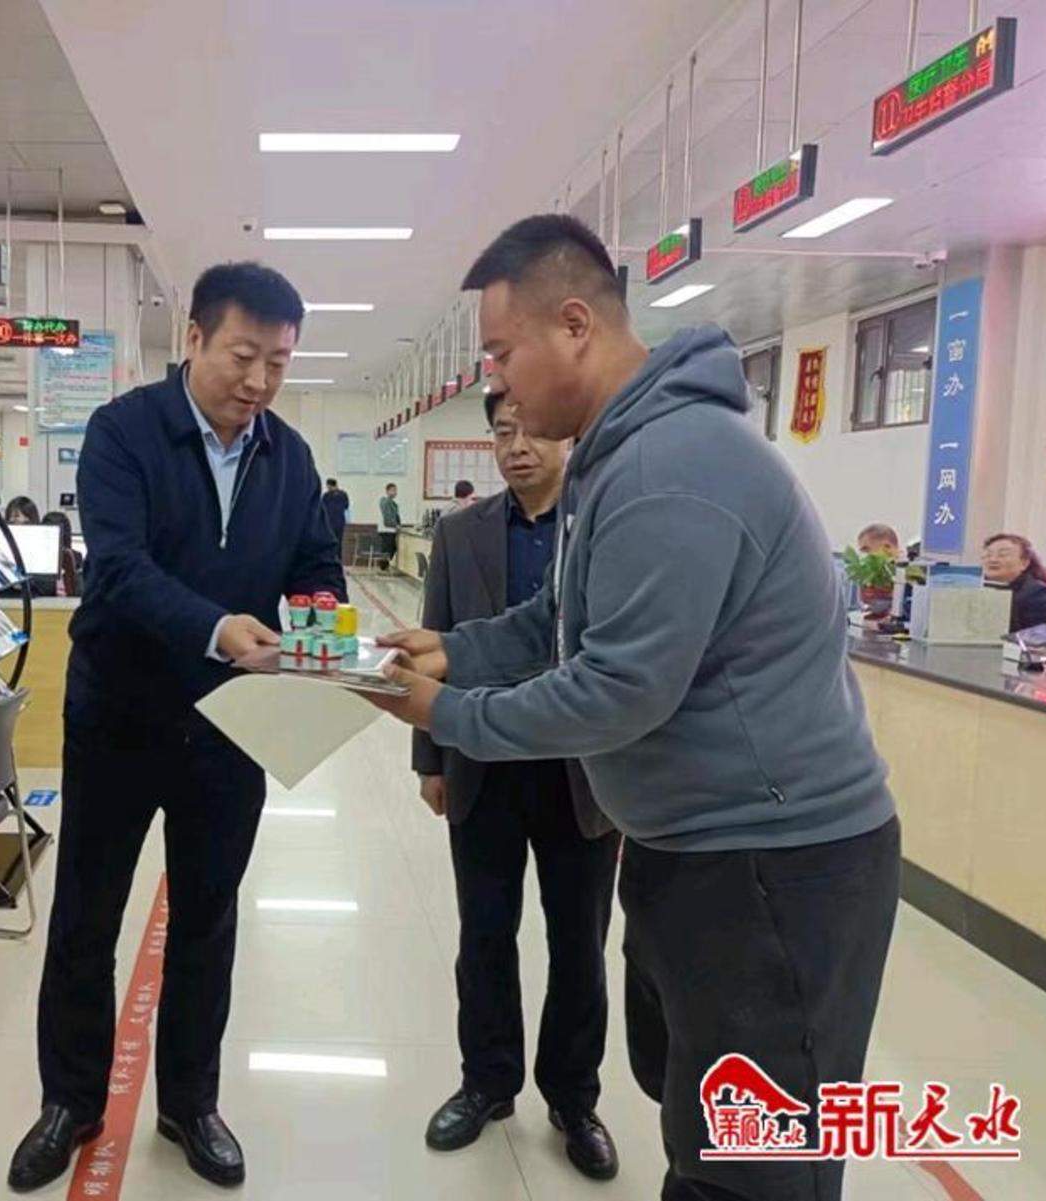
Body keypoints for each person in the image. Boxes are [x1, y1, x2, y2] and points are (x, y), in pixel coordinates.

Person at [372, 214, 900, 1201]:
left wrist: (445, 712)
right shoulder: (620, 456)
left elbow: (616, 691)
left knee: (754, 1167)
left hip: (770, 867)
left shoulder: (668, 465)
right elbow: (562, 616)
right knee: (698, 1121)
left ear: (574, 324)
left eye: (502, 352)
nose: (497, 382)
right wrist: (456, 648)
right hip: (698, 847)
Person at [8, 262, 345, 1193]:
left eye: (279, 361)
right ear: (193, 338)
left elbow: (316, 562)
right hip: (118, 719)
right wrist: (217, 627)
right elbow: (118, 568)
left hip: (233, 729)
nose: (260, 380)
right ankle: (71, 1100)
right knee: (87, 916)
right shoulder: (124, 433)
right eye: (244, 354)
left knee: (207, 918)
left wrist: (322, 620)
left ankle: (191, 1102)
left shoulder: (290, 458)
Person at [414, 391, 621, 1178]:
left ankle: (573, 1097)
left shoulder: (600, 525)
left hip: (581, 775)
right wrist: (431, 760)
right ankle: (486, 1082)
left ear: (567, 438)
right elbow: (435, 641)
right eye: (503, 431)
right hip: (483, 769)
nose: (517, 445)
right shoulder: (460, 532)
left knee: (580, 945)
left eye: (532, 430)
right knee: (484, 934)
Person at [982, 532, 1046, 632]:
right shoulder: (978, 590)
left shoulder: (1038, 594)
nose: (993, 560)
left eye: (1002, 555)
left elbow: (1040, 636)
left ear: (1024, 563)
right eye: (988, 555)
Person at [379, 481, 402, 564]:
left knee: (390, 550)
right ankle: (384, 567)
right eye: (393, 490)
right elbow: (387, 519)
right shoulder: (387, 502)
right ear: (387, 491)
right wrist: (396, 525)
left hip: (390, 531)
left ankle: (385, 566)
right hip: (388, 530)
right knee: (387, 551)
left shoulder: (392, 503)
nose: (395, 492)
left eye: (396, 490)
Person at [321, 476, 350, 544]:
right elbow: (346, 506)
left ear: (329, 485)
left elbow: (322, 508)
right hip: (340, 521)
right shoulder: (343, 494)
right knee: (339, 541)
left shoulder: (326, 496)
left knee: (330, 541)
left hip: (330, 522)